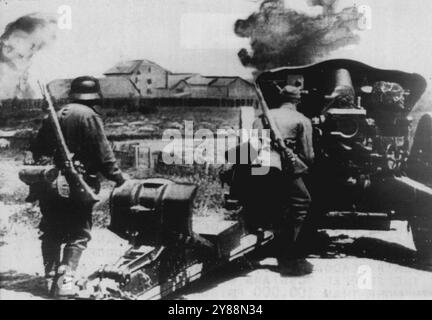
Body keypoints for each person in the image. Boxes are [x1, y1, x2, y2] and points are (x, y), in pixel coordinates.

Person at [30, 76, 126, 297]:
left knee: (51, 230)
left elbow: (37, 149)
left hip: (50, 183)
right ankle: (64, 283)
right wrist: (119, 179)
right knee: (78, 233)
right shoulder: (89, 115)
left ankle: (50, 277)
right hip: (77, 185)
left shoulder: (55, 114)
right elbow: (105, 155)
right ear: (94, 97)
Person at [252, 85, 314, 276]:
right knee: (301, 203)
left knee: (274, 204)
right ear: (298, 100)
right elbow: (308, 154)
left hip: (260, 165)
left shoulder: (262, 117)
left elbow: (252, 145)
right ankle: (288, 254)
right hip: (286, 166)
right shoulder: (302, 119)